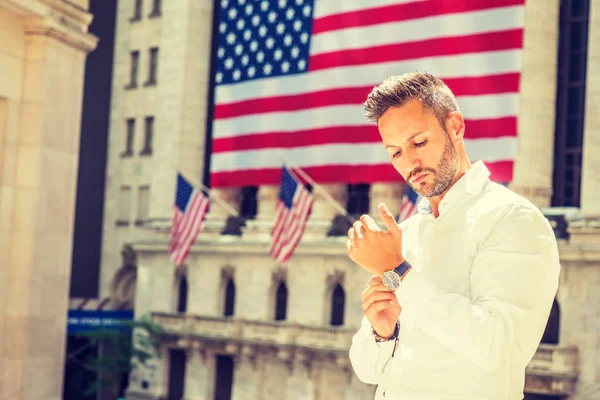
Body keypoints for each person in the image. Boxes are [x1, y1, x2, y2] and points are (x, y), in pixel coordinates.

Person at [346, 72, 560, 400]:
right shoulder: (408, 234)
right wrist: (382, 333)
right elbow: (366, 369)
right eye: (396, 152)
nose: (410, 163)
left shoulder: (513, 219)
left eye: (418, 142)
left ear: (456, 127)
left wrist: (400, 272)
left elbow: (496, 349)